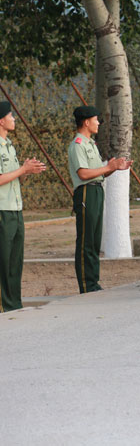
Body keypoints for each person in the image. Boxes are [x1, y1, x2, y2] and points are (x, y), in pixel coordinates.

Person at [68, 105, 132, 294]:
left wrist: (115, 168)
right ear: (86, 122)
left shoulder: (90, 144)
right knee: (86, 240)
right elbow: (84, 173)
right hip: (86, 192)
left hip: (96, 191)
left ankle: (93, 282)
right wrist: (108, 167)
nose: (98, 124)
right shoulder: (78, 144)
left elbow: (98, 174)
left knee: (95, 240)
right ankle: (87, 285)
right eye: (96, 120)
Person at [0, 102, 46, 312]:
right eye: (11, 116)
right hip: (2, 210)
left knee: (15, 260)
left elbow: (12, 175)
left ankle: (14, 304)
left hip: (15, 208)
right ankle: (4, 304)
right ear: (1, 120)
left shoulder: (8, 145)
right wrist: (22, 169)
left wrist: (27, 170)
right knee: (3, 258)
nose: (14, 119)